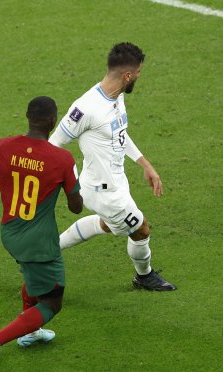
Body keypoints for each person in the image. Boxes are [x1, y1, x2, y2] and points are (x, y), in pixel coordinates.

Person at [49, 42, 176, 291]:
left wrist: (144, 163)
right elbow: (53, 146)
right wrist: (69, 183)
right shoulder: (85, 108)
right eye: (138, 73)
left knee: (109, 224)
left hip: (116, 183)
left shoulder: (116, 96)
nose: (139, 77)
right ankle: (144, 275)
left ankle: (46, 250)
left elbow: (119, 133)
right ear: (127, 75)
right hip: (102, 191)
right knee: (141, 230)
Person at [0, 96, 83, 372]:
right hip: (39, 242)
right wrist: (69, 182)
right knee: (52, 302)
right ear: (53, 121)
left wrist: (0, 181)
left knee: (33, 276)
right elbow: (76, 207)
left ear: (27, 117)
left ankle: (31, 333)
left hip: (10, 233)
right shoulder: (62, 158)